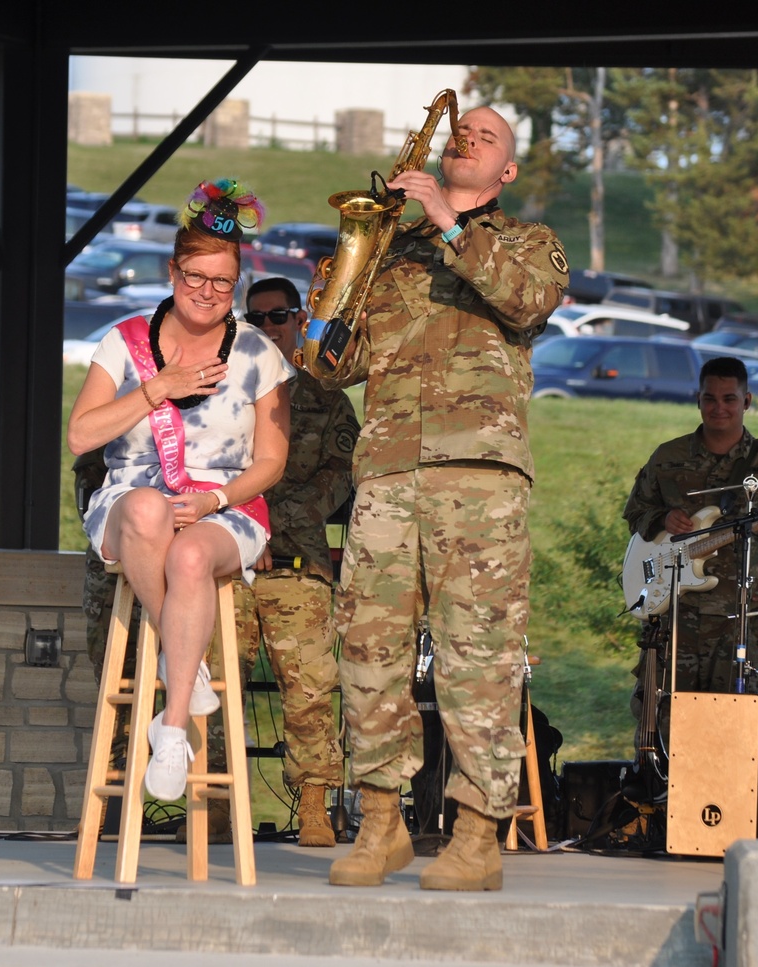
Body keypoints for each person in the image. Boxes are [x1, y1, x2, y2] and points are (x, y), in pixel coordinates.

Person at [325, 104, 569, 891]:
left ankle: (476, 835)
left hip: (480, 476)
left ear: (507, 172)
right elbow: (333, 366)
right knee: (368, 648)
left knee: (479, 659)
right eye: (464, 134)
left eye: (485, 138)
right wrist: (341, 277)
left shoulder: (529, 242)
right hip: (389, 468)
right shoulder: (395, 248)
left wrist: (446, 219)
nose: (467, 141)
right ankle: (381, 823)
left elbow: (527, 300)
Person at [67, 178, 293, 803]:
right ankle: (182, 656)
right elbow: (81, 435)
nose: (207, 292)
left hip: (225, 505)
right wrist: (156, 388)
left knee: (192, 555)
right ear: (173, 271)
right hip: (133, 500)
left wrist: (215, 501)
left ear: (237, 284)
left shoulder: (257, 353)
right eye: (196, 277)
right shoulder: (125, 340)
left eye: (222, 282)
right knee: (144, 508)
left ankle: (172, 732)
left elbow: (273, 459)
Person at [622, 356, 758, 732]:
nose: (719, 408)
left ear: (746, 401)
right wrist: (661, 518)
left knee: (733, 728)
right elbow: (635, 511)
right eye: (710, 398)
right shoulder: (668, 458)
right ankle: (658, 791)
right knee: (665, 723)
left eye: (729, 399)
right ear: (698, 399)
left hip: (741, 620)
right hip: (674, 613)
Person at [230, 276, 359, 847]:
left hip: (295, 561)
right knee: (212, 681)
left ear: (299, 319)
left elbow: (348, 471)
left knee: (309, 691)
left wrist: (285, 516)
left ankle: (313, 805)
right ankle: (212, 799)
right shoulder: (220, 387)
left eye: (278, 316)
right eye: (256, 319)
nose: (268, 328)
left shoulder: (324, 394)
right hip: (226, 559)